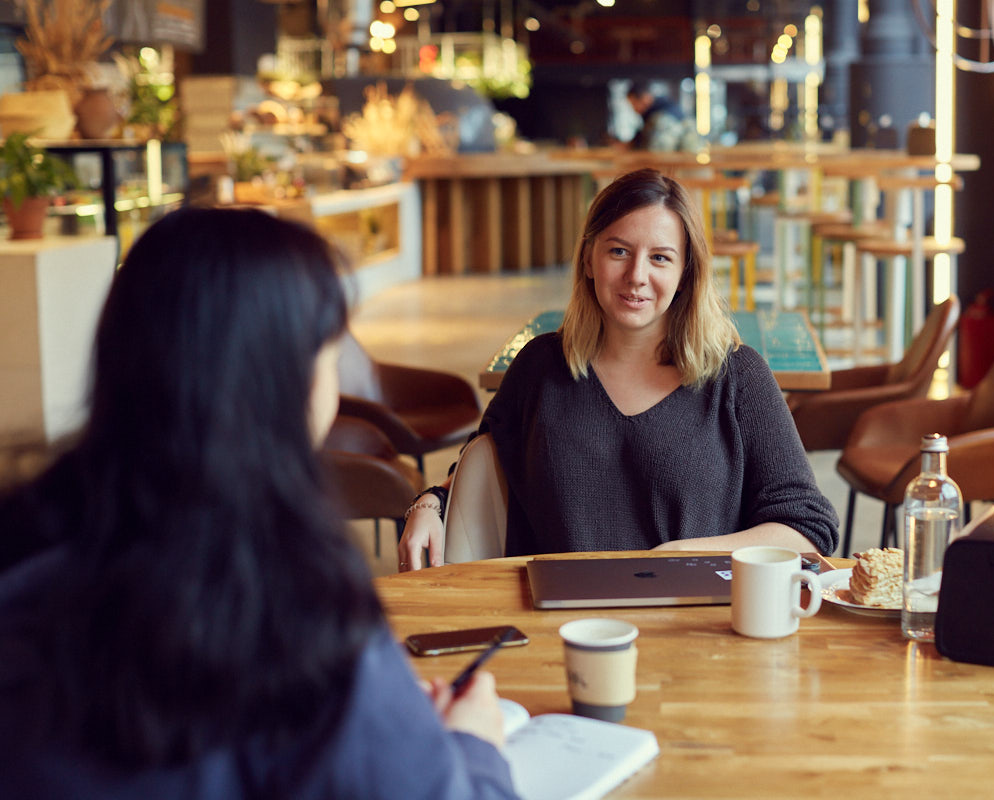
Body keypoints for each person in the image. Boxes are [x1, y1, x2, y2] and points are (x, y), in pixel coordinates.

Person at [0, 208, 518, 799]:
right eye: (331, 351)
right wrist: (475, 746)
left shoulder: (26, 548)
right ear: (289, 380)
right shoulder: (303, 619)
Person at [400, 168, 839, 570]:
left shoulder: (738, 378)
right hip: (559, 628)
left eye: (661, 258)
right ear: (589, 259)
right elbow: (483, 459)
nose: (636, 275)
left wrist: (681, 554)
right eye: (619, 251)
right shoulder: (539, 368)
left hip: (695, 631)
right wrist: (430, 503)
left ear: (686, 272)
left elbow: (808, 527)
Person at [625, 82, 701, 152]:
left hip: (682, 163)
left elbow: (658, 152)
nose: (634, 109)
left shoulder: (661, 118)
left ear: (646, 97)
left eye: (634, 104)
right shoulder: (660, 110)